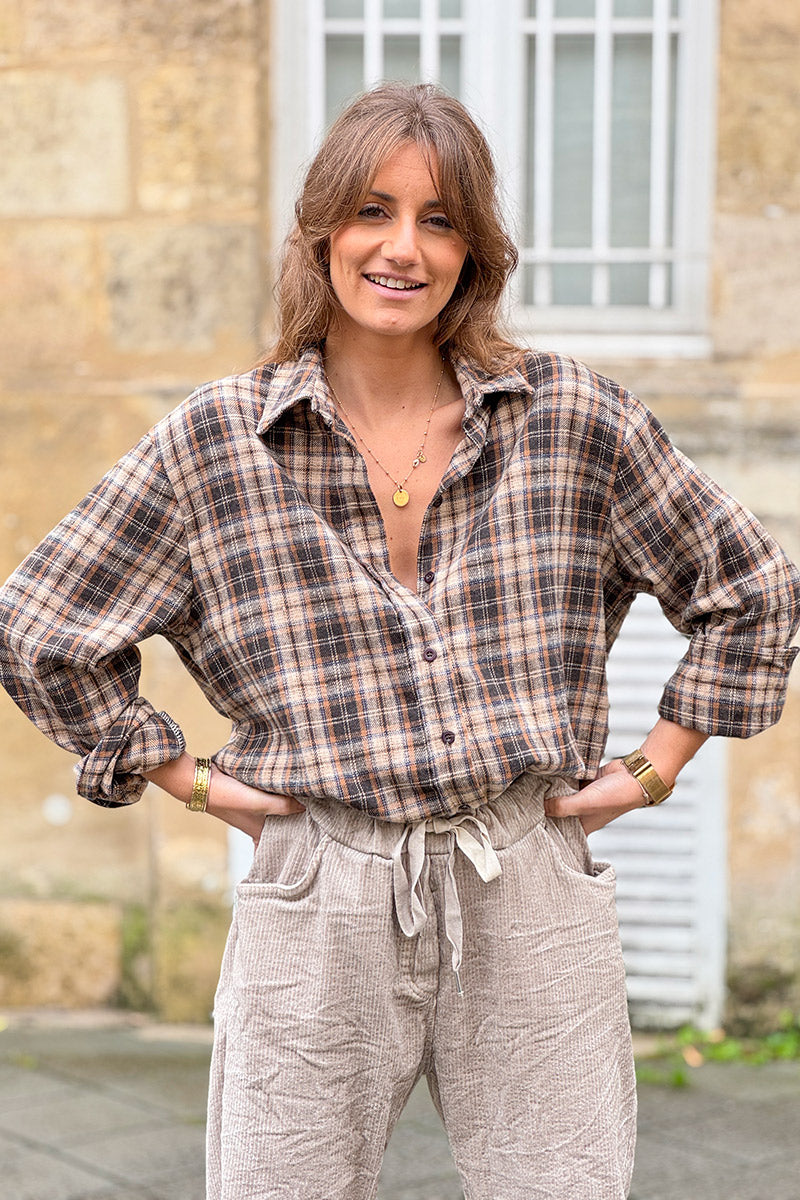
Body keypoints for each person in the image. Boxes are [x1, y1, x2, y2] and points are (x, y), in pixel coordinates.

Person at [0, 82, 798, 1200]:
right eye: (371, 211)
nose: (401, 249)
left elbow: (750, 589)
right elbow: (40, 625)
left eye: (438, 219)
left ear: (475, 249)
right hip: (317, 883)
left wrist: (650, 769)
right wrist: (187, 781)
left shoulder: (570, 419)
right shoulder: (217, 443)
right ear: (321, 231)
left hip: (523, 875)